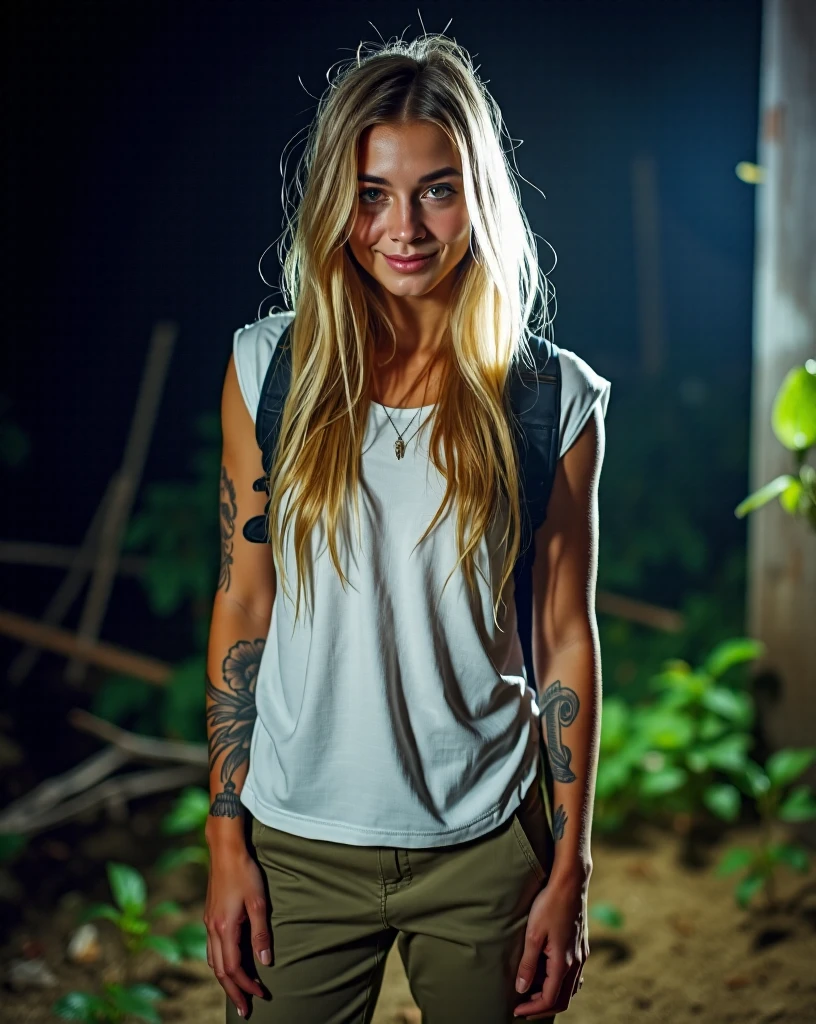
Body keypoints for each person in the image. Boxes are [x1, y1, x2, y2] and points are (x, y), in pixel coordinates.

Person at [203, 32, 610, 1024]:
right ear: (337, 202)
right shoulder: (270, 370)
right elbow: (243, 602)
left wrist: (570, 868)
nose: (405, 228)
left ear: (481, 193)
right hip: (297, 842)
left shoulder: (553, 395)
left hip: (485, 840)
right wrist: (224, 844)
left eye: (437, 188)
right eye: (372, 192)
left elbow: (564, 636)